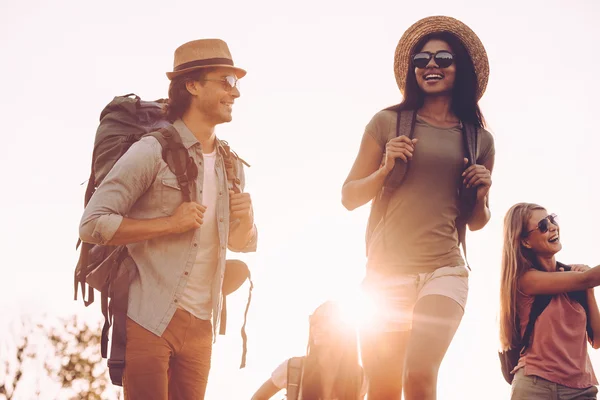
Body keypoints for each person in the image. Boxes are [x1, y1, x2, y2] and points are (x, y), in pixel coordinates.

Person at [79, 38, 257, 400]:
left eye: (235, 83)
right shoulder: (152, 150)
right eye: (225, 81)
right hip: (149, 317)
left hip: (202, 325)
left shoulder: (230, 164)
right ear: (192, 85)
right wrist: (169, 224)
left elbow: (242, 243)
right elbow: (93, 222)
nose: (234, 93)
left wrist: (247, 219)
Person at [341, 16, 495, 400]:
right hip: (386, 274)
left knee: (420, 374)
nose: (431, 66)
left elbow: (477, 223)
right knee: (384, 387)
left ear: (460, 68)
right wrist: (385, 168)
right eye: (422, 59)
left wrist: (480, 192)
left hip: (444, 269)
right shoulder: (387, 123)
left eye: (444, 58)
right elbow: (349, 197)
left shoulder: (480, 140)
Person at [500, 203, 600, 399]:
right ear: (526, 242)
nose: (553, 226)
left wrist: (588, 289)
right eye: (543, 225)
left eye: (552, 219)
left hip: (581, 389)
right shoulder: (525, 279)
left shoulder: (577, 278)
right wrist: (586, 279)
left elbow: (597, 340)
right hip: (536, 386)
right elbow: (587, 278)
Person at [251, 301, 368, 400]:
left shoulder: (359, 377)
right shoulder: (293, 368)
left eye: (324, 320)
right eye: (313, 320)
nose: (316, 326)